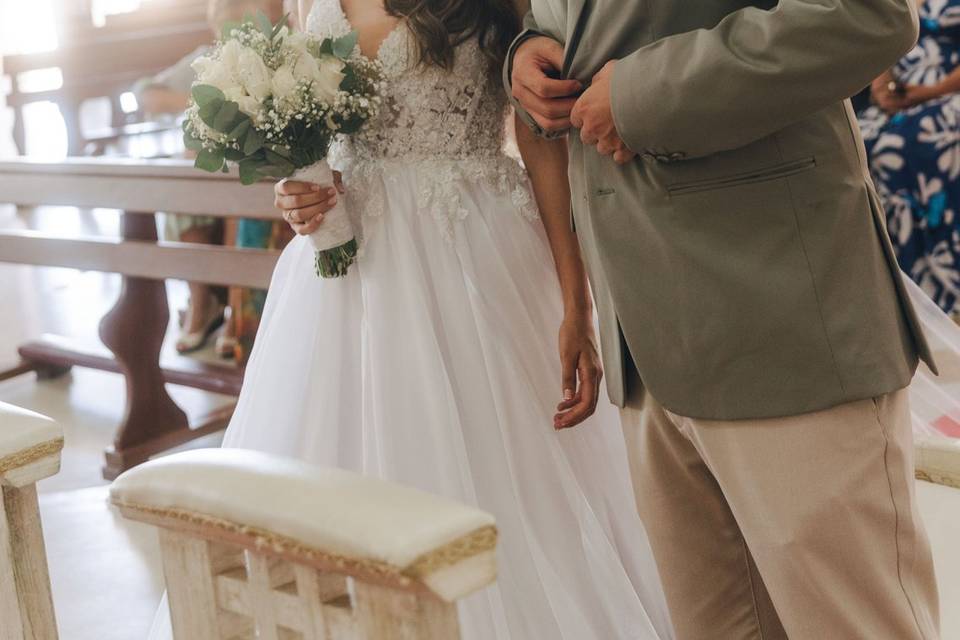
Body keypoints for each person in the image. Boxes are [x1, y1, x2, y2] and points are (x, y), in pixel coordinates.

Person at [148, 0, 674, 638]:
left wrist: (576, 303)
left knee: (505, 475)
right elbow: (319, 136)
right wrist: (299, 191)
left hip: (476, 252)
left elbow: (543, 145)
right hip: (348, 278)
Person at [509, 1, 941, 639]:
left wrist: (643, 94)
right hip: (643, 335)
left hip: (780, 310)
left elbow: (867, 13)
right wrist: (527, 56)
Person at [133, 0, 285, 355]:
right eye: (224, 22)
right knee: (187, 170)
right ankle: (202, 302)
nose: (231, 30)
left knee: (230, 174)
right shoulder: (208, 58)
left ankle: (235, 307)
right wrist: (204, 100)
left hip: (256, 173)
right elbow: (146, 92)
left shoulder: (270, 56)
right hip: (210, 175)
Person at [860, 0, 960, 316]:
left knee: (904, 144)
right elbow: (881, 34)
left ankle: (940, 284)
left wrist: (926, 93)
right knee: (856, 142)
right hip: (902, 101)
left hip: (948, 94)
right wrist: (882, 88)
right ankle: (889, 283)